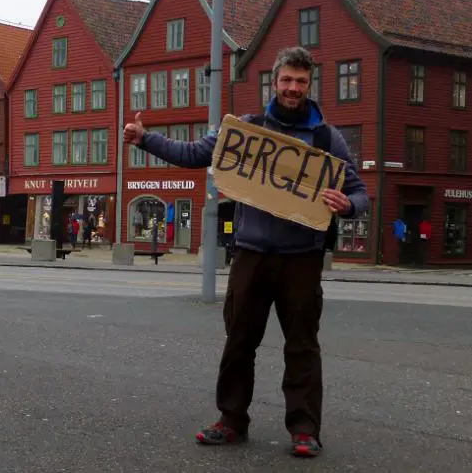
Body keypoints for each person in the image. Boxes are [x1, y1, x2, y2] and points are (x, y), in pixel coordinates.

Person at [123, 46, 368, 458]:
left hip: (302, 259)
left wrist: (349, 205)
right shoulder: (246, 130)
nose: (293, 88)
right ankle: (231, 420)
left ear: (309, 85)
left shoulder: (328, 139)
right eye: (287, 80)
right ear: (275, 81)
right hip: (252, 254)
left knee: (303, 347)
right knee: (239, 342)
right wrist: (146, 140)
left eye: (301, 82)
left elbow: (359, 191)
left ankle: (305, 429)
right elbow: (196, 154)